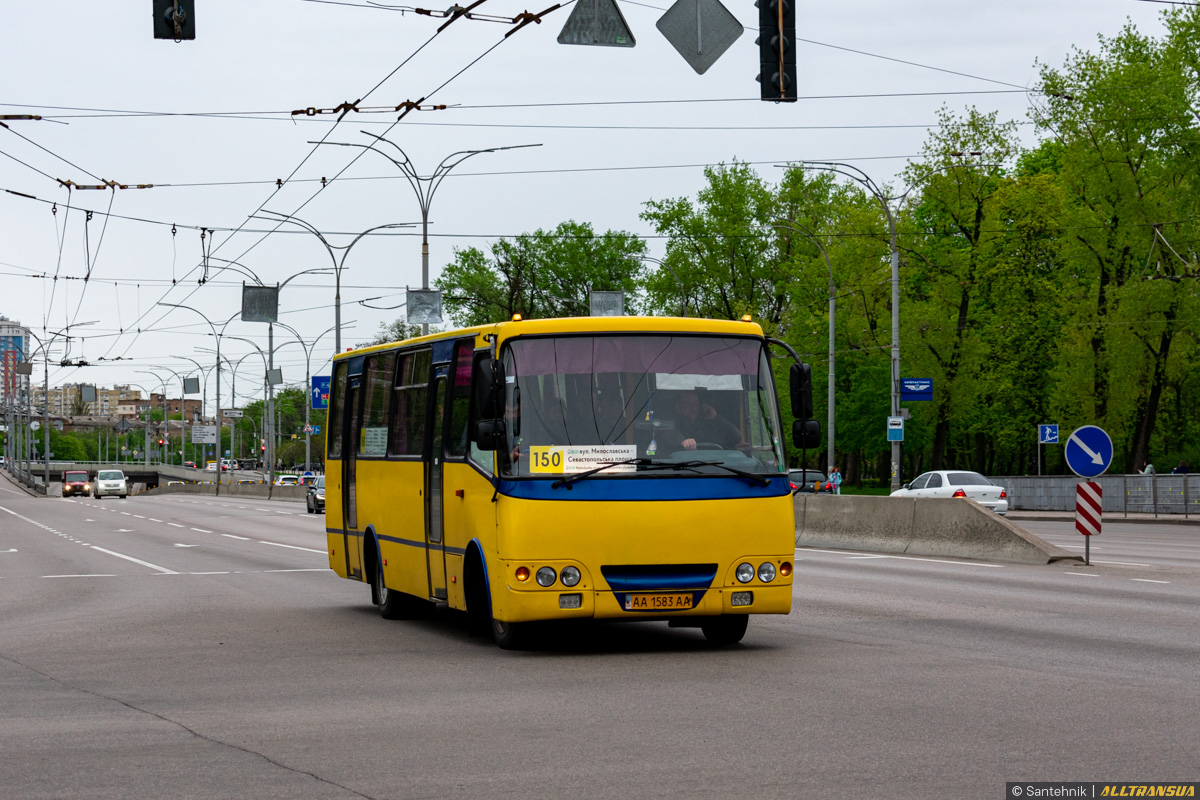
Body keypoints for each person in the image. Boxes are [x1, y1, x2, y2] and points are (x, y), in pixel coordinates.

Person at [672, 390, 743, 451]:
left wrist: (716, 417)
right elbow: (667, 433)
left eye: (695, 403)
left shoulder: (709, 426)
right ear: (678, 407)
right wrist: (682, 441)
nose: (693, 407)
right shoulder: (673, 425)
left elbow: (736, 437)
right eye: (687, 403)